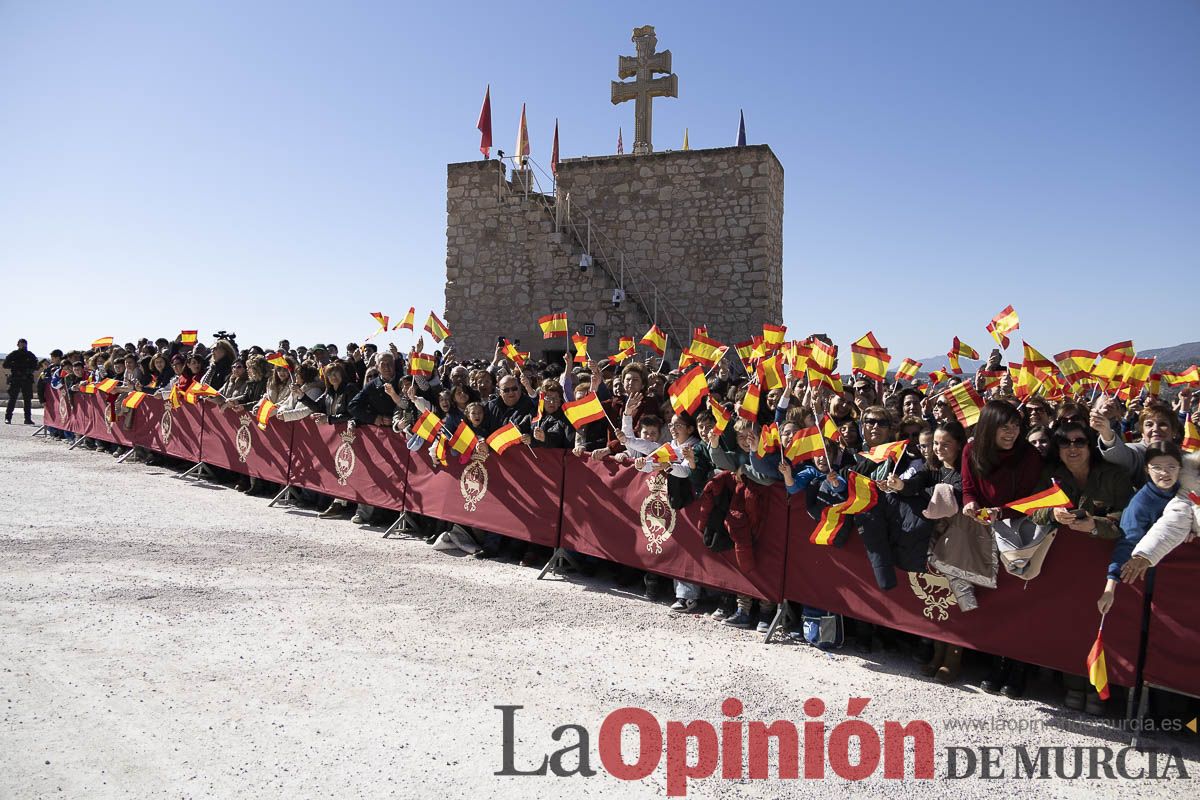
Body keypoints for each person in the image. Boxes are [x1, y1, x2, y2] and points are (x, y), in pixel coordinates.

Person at [961, 400, 1043, 698]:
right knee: (994, 601)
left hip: (1018, 534)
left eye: (1015, 426)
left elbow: (1029, 500)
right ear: (988, 427)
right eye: (1004, 426)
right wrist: (970, 503)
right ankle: (997, 660)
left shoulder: (1029, 455)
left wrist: (1002, 512)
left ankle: (1018, 667)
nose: (1011, 432)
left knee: (1020, 600)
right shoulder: (971, 450)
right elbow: (969, 487)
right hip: (983, 531)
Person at [1099, 442, 1183, 615]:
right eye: (1157, 467)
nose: (1164, 473)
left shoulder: (1187, 490)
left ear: (1180, 467)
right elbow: (1127, 542)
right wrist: (1110, 588)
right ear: (1147, 469)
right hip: (1155, 579)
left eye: (1171, 466)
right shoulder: (1140, 503)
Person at [5, 338, 38, 425]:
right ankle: (8, 418)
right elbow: (5, 364)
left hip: (27, 379)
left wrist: (28, 369)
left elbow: (35, 366)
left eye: (24, 344)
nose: (23, 345)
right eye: (21, 344)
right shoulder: (14, 354)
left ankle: (28, 419)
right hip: (16, 379)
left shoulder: (30, 355)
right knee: (12, 399)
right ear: (18, 345)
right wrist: (16, 366)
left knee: (27, 400)